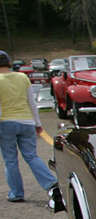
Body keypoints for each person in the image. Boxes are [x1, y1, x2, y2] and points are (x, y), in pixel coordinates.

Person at [0, 50, 60, 207]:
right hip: (26, 121)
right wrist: (37, 123)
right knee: (31, 156)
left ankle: (16, 193)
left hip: (6, 122)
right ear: (8, 62)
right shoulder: (22, 77)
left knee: (11, 159)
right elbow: (32, 102)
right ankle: (51, 183)